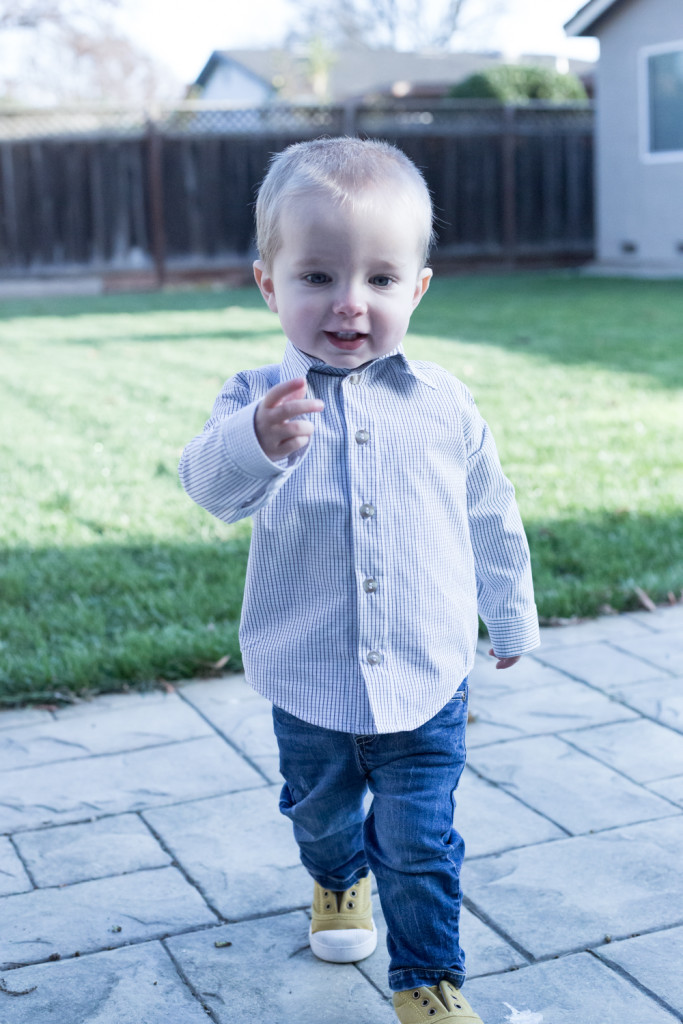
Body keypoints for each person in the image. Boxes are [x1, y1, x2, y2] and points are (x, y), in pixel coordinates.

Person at [179, 136, 540, 1023]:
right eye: (316, 278)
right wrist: (254, 443)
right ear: (269, 283)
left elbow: (488, 514)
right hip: (308, 677)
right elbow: (208, 488)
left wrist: (512, 615)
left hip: (426, 673)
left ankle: (426, 979)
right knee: (322, 813)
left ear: (416, 288)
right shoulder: (257, 397)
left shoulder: (443, 402)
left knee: (418, 839)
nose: (349, 304)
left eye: (380, 279)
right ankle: (335, 877)